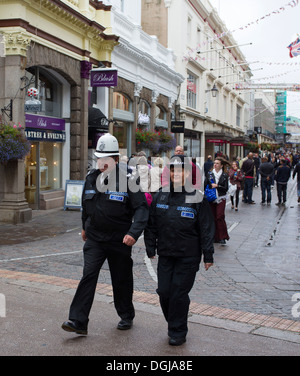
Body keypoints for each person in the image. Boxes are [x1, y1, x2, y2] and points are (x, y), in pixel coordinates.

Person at [62, 133, 149, 335]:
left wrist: (134, 233)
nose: (102, 162)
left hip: (120, 240)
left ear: (116, 159)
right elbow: (86, 204)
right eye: (99, 158)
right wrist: (84, 226)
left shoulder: (129, 178)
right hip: (95, 239)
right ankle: (78, 321)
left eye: (106, 158)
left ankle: (126, 315)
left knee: (121, 279)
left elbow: (142, 209)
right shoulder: (91, 178)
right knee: (88, 276)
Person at [144, 155, 214, 346]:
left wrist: (208, 255)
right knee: (164, 292)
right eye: (173, 170)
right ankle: (174, 320)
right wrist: (150, 246)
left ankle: (178, 331)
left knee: (178, 293)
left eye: (180, 170)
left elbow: (206, 229)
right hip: (166, 254)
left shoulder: (197, 198)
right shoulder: (160, 195)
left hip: (188, 256)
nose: (176, 173)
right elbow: (151, 225)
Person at [205, 157, 230, 245]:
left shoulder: (224, 175)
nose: (215, 165)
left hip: (221, 197)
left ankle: (222, 237)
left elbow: (225, 188)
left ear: (221, 165)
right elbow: (206, 185)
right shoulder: (210, 174)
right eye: (214, 163)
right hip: (211, 197)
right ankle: (214, 236)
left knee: (220, 216)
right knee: (212, 217)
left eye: (217, 163)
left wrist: (217, 186)